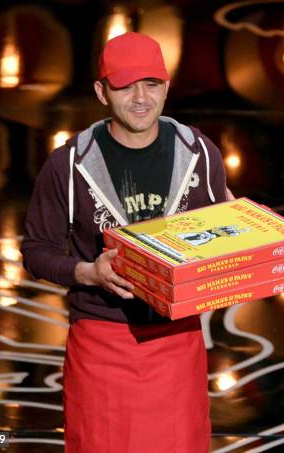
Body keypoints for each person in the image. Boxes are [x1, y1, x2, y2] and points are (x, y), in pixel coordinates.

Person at [21, 32, 229, 453]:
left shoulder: (200, 154)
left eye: (152, 84)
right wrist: (88, 272)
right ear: (101, 92)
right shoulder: (69, 163)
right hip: (101, 344)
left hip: (177, 344)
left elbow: (222, 232)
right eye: (125, 85)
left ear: (167, 87)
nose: (141, 97)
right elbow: (36, 251)